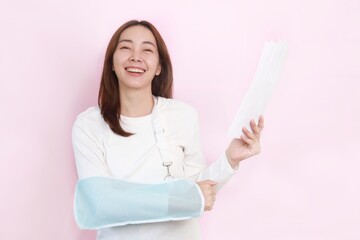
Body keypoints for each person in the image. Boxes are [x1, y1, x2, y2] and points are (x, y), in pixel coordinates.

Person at [72, 19, 264, 240]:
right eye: (125, 47)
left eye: (147, 50)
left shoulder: (183, 115)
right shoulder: (89, 125)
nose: (136, 56)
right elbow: (100, 205)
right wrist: (184, 199)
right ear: (112, 63)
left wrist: (230, 161)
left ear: (159, 67)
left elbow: (199, 191)